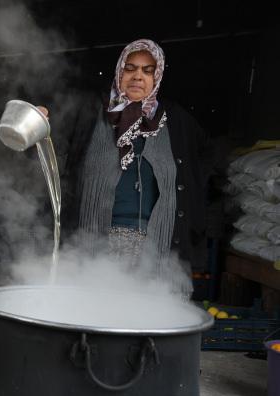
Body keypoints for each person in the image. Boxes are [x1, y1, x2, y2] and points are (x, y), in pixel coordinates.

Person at [57, 39, 213, 272]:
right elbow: (53, 149)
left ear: (156, 77)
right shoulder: (90, 111)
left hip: (156, 247)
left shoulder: (176, 120)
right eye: (130, 68)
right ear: (119, 71)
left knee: (148, 307)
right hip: (92, 242)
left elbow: (204, 159)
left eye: (148, 71)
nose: (138, 76)